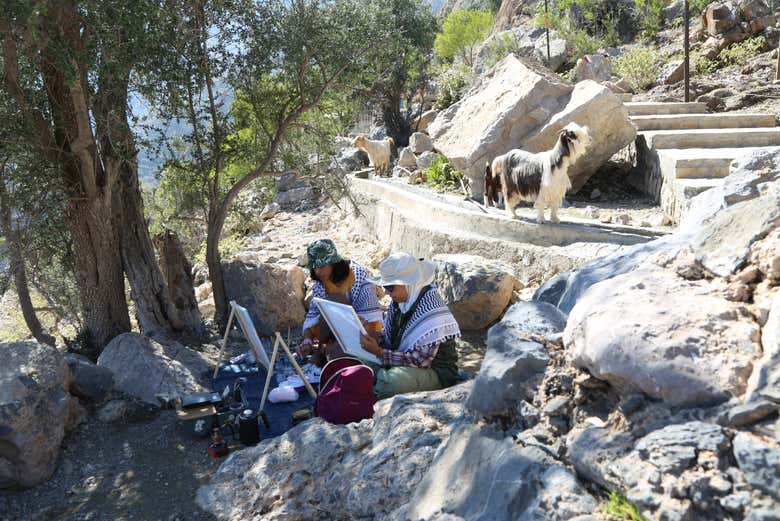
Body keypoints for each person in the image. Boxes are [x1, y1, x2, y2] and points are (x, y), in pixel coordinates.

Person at [359, 252, 461, 399]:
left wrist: (379, 352)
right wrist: (372, 334)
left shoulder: (432, 311)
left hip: (435, 371)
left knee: (389, 384)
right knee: (360, 362)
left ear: (408, 283)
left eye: (390, 287)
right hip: (405, 362)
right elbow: (392, 338)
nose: (386, 292)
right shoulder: (400, 301)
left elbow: (420, 361)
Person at [299, 239, 383, 363]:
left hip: (362, 334)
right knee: (326, 306)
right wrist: (308, 341)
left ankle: (330, 351)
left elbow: (369, 322)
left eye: (321, 267)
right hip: (332, 333)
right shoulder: (321, 283)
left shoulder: (358, 276)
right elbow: (313, 316)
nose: (317, 272)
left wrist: (339, 342)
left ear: (333, 263)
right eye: (314, 268)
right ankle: (324, 350)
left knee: (336, 300)